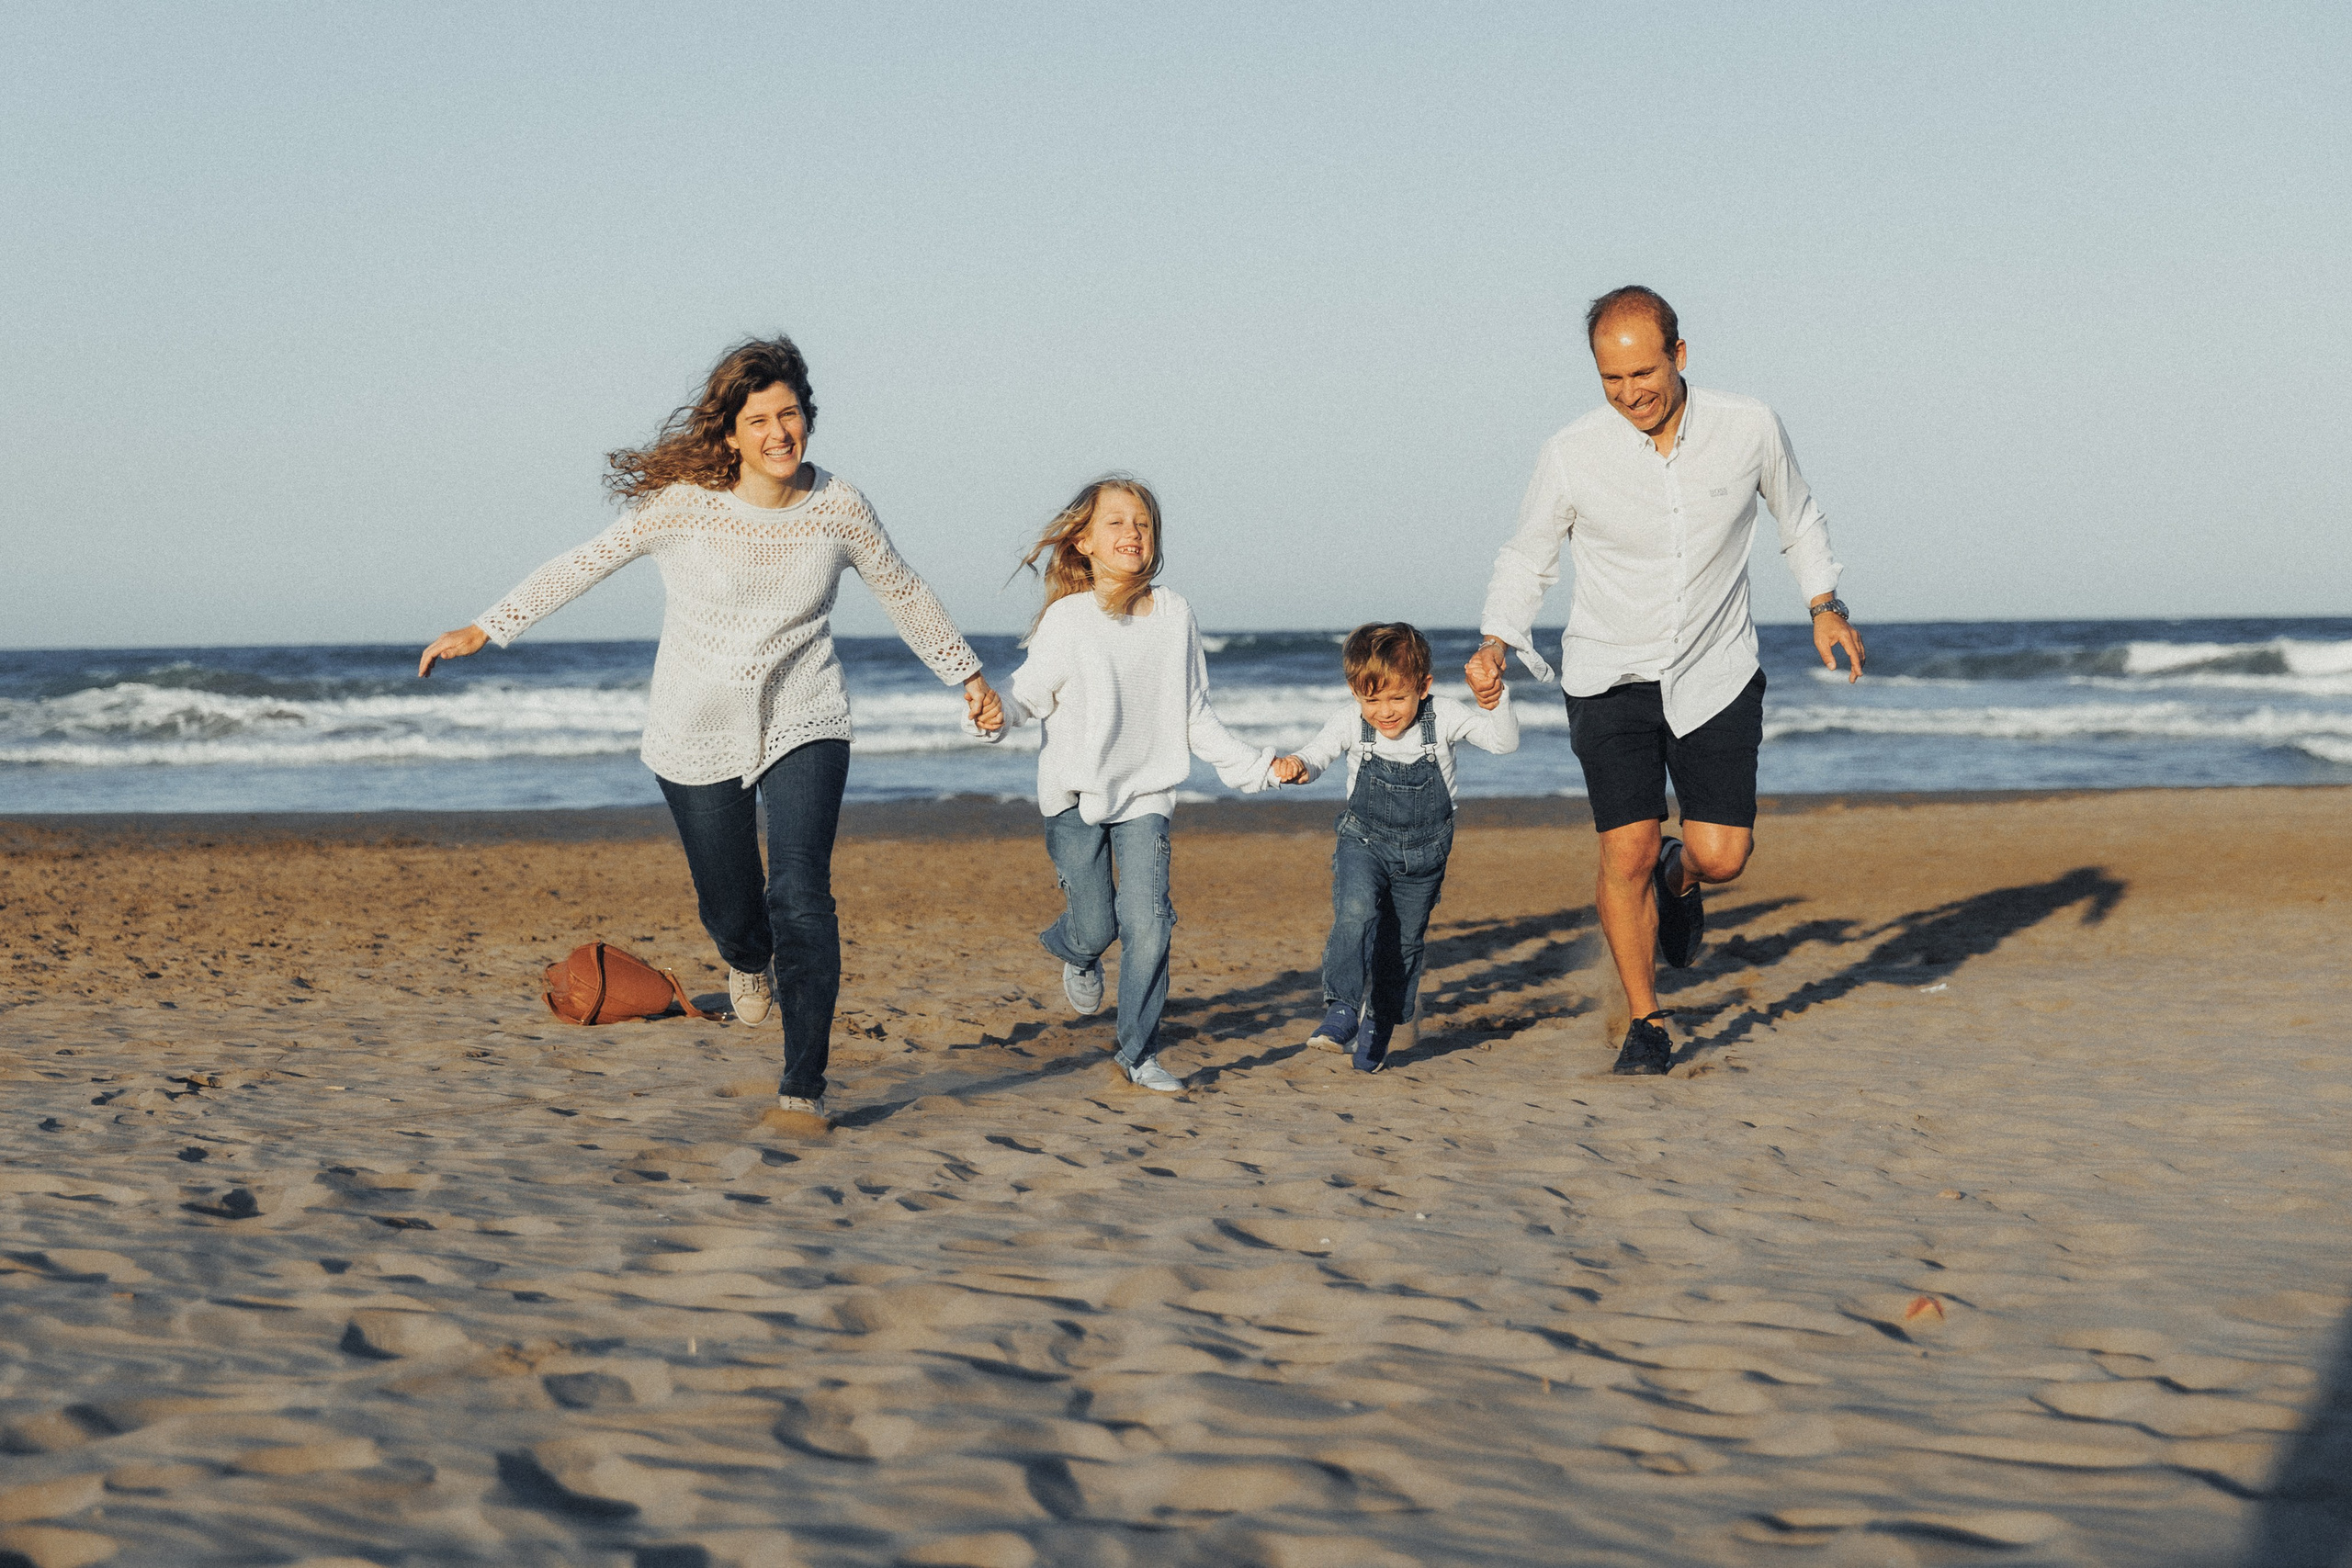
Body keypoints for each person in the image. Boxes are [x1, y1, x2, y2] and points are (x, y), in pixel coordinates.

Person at [418, 336, 1001, 1119]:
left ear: (807, 418)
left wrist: (965, 672)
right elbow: (586, 562)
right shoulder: (685, 505)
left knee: (802, 893)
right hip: (694, 722)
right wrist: (488, 626)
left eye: (788, 413)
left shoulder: (840, 506)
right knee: (733, 908)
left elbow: (903, 587)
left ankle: (804, 1084)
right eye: (757, 418)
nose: (777, 432)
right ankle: (747, 960)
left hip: (806, 712)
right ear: (731, 434)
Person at [1464, 286, 1864, 1077]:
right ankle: (1647, 1019)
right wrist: (1496, 639)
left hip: (1715, 668)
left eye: (1643, 373)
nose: (1629, 394)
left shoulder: (1748, 426)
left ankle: (1684, 880)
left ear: (1679, 356)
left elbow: (1799, 515)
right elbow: (1527, 552)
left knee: (1722, 854)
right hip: (1608, 672)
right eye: (1611, 381)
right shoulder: (1573, 451)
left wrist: (1824, 605)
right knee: (1628, 848)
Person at [967, 475, 1274, 1092]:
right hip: (1073, 797)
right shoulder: (1067, 618)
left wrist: (1259, 765)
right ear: (1082, 540)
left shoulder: (1174, 612)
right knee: (1098, 927)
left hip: (1146, 795)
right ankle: (1074, 948)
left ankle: (1138, 1052)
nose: (1131, 532)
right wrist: (997, 713)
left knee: (1151, 922)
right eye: (1116, 521)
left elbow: (1195, 714)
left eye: (1142, 522)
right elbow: (1029, 696)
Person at [1271, 623, 1519, 1073]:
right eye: (1372, 700)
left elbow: (1504, 742)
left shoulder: (1443, 716)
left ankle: (1380, 1022)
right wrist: (1297, 766)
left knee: (1402, 943)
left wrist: (1495, 700)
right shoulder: (1350, 722)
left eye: (1397, 698)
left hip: (1426, 853)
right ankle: (1343, 1008)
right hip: (1363, 840)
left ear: (1423, 687)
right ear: (1355, 692)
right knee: (1356, 912)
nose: (1384, 712)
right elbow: (1316, 755)